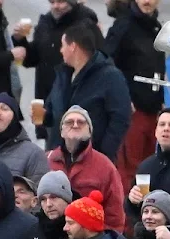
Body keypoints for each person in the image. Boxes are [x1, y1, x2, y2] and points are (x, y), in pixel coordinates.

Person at [12, 0, 98, 141]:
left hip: (73, 100)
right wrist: (20, 40)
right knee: (51, 151)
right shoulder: (46, 21)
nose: (56, 6)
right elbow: (34, 59)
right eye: (52, 2)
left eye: (61, 2)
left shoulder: (85, 22)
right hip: (46, 99)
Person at [103, 0, 164, 192]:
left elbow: (157, 68)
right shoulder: (123, 25)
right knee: (129, 168)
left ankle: (144, 215)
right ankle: (126, 219)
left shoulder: (157, 27)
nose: (147, 1)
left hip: (153, 109)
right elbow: (107, 63)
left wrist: (161, 99)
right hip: (131, 110)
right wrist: (121, 97)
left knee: (149, 167)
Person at [45, 23, 130, 159]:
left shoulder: (110, 76)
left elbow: (121, 118)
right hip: (59, 157)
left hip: (92, 160)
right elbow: (51, 110)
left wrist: (104, 155)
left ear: (73, 46)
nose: (60, 50)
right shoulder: (63, 75)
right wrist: (44, 115)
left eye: (63, 45)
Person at [25, 171, 72, 239]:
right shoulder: (34, 228)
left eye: (54, 197)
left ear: (67, 199)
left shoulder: (79, 229)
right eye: (43, 199)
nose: (48, 204)